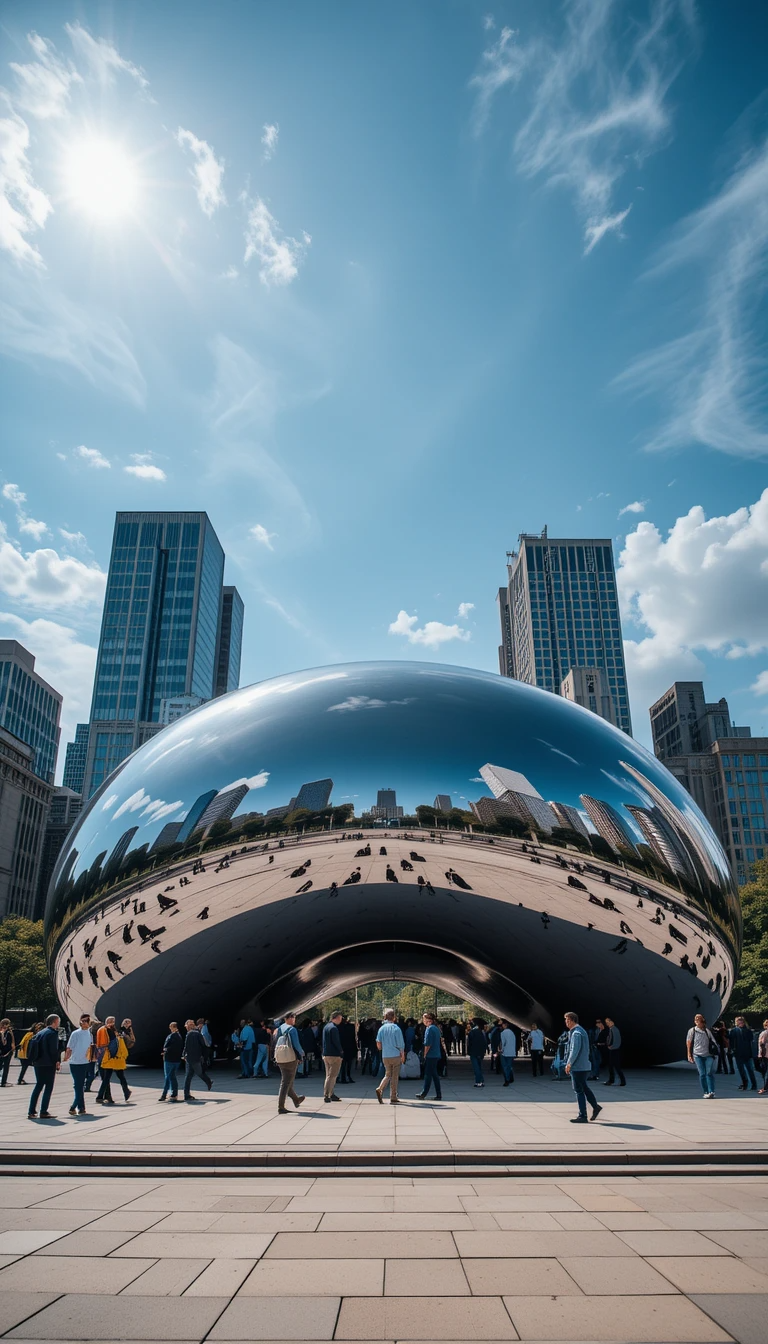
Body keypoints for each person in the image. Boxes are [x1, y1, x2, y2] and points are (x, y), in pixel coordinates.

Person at [564, 1011, 601, 1124]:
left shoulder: (576, 1033)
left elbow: (575, 1049)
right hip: (584, 1065)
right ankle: (595, 1106)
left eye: (566, 1020)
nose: (565, 1022)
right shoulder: (581, 1031)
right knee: (584, 1087)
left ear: (571, 1020)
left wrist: (569, 1063)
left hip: (578, 1066)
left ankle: (582, 1115)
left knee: (578, 1090)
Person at [27, 1014, 62, 1119]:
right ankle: (43, 1111)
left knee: (38, 1086)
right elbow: (53, 1050)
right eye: (58, 1022)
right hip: (48, 1063)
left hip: (38, 1062)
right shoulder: (52, 1033)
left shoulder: (40, 1032)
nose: (58, 1024)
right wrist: (57, 1061)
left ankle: (31, 1110)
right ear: (54, 1022)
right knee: (48, 1087)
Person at [96, 1017, 133, 1104]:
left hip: (109, 1057)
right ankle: (101, 1096)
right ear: (109, 1022)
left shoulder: (103, 1030)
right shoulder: (109, 1030)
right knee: (117, 1077)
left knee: (109, 1078)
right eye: (112, 1021)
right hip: (113, 1057)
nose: (113, 1023)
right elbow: (113, 1043)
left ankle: (104, 1096)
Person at [274, 1012, 306, 1114]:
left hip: (280, 1057)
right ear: (290, 1018)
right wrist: (301, 1054)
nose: (294, 1020)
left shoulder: (280, 1028)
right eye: (294, 1018)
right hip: (290, 1058)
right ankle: (281, 1106)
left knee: (288, 1081)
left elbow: (275, 1041)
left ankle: (296, 1100)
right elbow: (296, 1045)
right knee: (286, 1083)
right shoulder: (292, 1030)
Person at [64, 1013, 93, 1115]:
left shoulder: (90, 1034)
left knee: (79, 1085)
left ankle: (80, 1107)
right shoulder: (75, 1033)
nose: (83, 1022)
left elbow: (91, 1047)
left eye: (86, 1021)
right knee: (78, 1085)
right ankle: (76, 1107)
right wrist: (66, 1057)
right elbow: (69, 1047)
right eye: (82, 1020)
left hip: (85, 1062)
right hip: (75, 1062)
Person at [375, 1008, 405, 1104]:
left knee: (387, 1074)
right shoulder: (396, 1028)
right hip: (395, 1054)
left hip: (385, 1055)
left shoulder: (381, 1028)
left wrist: (382, 1048)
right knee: (395, 1076)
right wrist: (402, 1055)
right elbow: (401, 1044)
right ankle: (393, 1096)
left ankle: (380, 1088)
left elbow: (378, 1043)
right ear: (394, 1018)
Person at [686, 1013, 719, 1098]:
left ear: (702, 1021)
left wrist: (715, 1052)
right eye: (696, 1020)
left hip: (708, 1054)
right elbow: (688, 1042)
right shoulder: (692, 1031)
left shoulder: (707, 1031)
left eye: (698, 1020)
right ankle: (706, 1091)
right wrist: (689, 1054)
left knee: (709, 1072)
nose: (697, 1022)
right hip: (697, 1054)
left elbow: (713, 1041)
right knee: (702, 1074)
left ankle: (711, 1091)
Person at [183, 1018, 213, 1101]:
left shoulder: (190, 1034)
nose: (186, 1028)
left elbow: (186, 1046)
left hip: (190, 1058)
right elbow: (203, 1046)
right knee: (195, 1074)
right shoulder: (198, 1034)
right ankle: (187, 1095)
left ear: (189, 1026)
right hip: (195, 1058)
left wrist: (184, 1055)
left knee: (191, 1076)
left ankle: (187, 1095)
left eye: (186, 1026)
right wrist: (204, 1056)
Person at [416, 1011, 442, 1101]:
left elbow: (427, 1044)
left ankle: (424, 1093)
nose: (423, 1020)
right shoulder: (435, 1028)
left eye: (423, 1018)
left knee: (428, 1074)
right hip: (436, 1054)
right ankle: (438, 1094)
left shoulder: (429, 1029)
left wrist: (424, 1055)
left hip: (431, 1055)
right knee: (434, 1075)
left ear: (428, 1020)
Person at [730, 1016, 757, 1091]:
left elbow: (751, 1041)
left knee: (750, 1069)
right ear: (736, 1023)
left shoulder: (748, 1031)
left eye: (741, 1022)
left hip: (747, 1053)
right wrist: (732, 1050)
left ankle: (753, 1084)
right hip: (738, 1053)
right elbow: (731, 1041)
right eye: (739, 1022)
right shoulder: (734, 1031)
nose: (740, 1023)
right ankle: (745, 1083)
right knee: (741, 1070)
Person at [322, 1011, 344, 1103]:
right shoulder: (334, 1028)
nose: (341, 1020)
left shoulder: (326, 1027)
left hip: (326, 1054)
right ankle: (327, 1094)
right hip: (334, 1055)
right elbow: (336, 1042)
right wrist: (341, 1051)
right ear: (337, 1018)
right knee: (332, 1076)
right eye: (340, 1018)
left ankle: (331, 1093)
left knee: (328, 1075)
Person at [159, 1021, 184, 1101]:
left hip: (169, 1059)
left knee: (168, 1077)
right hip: (177, 1060)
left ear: (174, 1027)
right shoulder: (180, 1036)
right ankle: (174, 1094)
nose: (170, 1029)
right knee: (173, 1077)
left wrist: (165, 1050)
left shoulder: (171, 1036)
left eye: (171, 1027)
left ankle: (164, 1094)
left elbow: (167, 1047)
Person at [16, 1021, 41, 1085]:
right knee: (26, 1067)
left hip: (22, 1054)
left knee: (24, 1068)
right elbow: (28, 1046)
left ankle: (20, 1079)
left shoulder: (28, 1034)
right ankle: (20, 1079)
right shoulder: (32, 1035)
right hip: (26, 1055)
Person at [604, 1017, 626, 1087]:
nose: (607, 1024)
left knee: (615, 1066)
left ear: (612, 1022)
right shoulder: (613, 1029)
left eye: (608, 1022)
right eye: (606, 1023)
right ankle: (613, 1080)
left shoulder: (614, 1029)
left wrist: (611, 1046)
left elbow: (615, 1040)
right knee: (613, 1066)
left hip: (614, 1050)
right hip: (613, 1049)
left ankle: (615, 1080)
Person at [467, 1019, 488, 1087]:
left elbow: (469, 1043)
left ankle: (478, 1081)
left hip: (473, 1052)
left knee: (476, 1067)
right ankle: (481, 1081)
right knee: (479, 1067)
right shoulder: (483, 1033)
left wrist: (469, 1051)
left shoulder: (472, 1032)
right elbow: (485, 1042)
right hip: (480, 1052)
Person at [339, 1016, 357, 1084]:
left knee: (343, 1064)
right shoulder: (351, 1027)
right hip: (350, 1048)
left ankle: (343, 1077)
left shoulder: (338, 1028)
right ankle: (348, 1076)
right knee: (349, 1064)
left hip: (342, 1048)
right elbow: (353, 1038)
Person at [498, 1020, 517, 1086]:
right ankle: (511, 1077)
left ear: (504, 1025)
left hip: (505, 1052)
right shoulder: (512, 1033)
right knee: (509, 1065)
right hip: (511, 1051)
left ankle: (507, 1080)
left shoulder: (503, 1033)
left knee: (505, 1066)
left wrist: (501, 1050)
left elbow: (503, 1042)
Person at [0, 1019, 15, 1086]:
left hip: (1, 1052)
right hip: (7, 1052)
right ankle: (3, 1082)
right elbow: (8, 1043)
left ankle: (3, 1081)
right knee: (6, 1067)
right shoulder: (8, 1033)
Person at [758, 1020, 768, 1094]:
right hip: (765, 1054)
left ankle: (765, 1087)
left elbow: (762, 1044)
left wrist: (761, 1054)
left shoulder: (764, 1033)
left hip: (765, 1055)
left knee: (765, 1071)